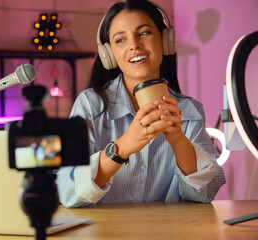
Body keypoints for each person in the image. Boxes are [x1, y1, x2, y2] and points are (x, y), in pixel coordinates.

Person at [56, 0, 226, 208]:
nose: (134, 45)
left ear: (166, 41)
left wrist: (178, 140)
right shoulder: (91, 105)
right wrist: (123, 146)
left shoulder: (190, 111)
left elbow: (205, 194)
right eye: (120, 40)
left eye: (144, 33)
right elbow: (67, 191)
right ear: (108, 55)